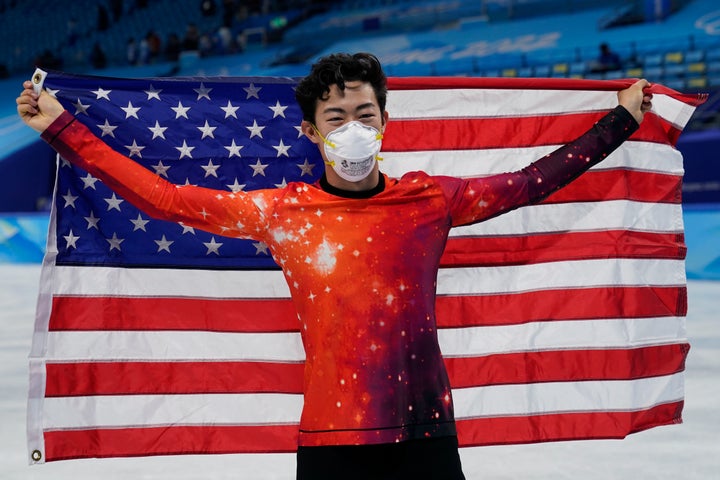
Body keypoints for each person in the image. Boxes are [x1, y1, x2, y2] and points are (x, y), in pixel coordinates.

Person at [16, 53, 652, 480]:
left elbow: (532, 182)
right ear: (313, 133)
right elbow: (166, 198)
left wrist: (620, 121)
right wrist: (63, 129)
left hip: (425, 434)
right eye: (337, 118)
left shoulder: (430, 200)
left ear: (385, 124)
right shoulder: (282, 213)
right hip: (332, 442)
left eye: (365, 116)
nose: (353, 129)